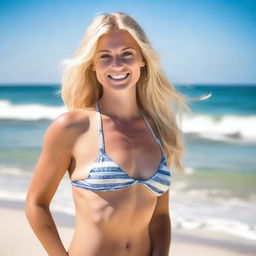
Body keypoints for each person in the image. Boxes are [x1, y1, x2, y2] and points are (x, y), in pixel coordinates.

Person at [25, 11, 195, 256]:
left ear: (143, 60)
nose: (117, 65)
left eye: (127, 54)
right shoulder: (72, 127)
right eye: (105, 56)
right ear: (93, 64)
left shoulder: (158, 130)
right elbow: (36, 204)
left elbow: (159, 216)